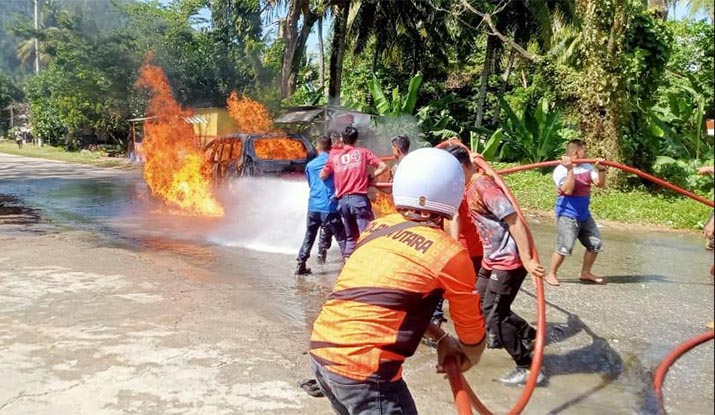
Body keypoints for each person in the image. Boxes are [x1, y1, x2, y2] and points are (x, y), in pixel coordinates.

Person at [309, 147, 486, 414]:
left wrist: (440, 337)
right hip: (364, 374)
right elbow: (471, 335)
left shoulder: (377, 228)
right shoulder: (450, 253)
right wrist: (468, 358)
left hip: (323, 354)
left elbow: (386, 301)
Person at [465, 157, 546, 386]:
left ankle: (527, 366)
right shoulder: (470, 183)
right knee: (479, 303)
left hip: (508, 259)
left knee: (494, 316)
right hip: (492, 259)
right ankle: (527, 333)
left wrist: (528, 259)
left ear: (461, 168)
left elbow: (514, 220)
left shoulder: (484, 187)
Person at [428, 145, 484, 330]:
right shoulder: (476, 181)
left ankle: (439, 320)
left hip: (464, 247)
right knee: (471, 289)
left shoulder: (460, 186)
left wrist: (453, 246)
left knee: (442, 284)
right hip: (474, 247)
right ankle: (480, 325)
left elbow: (456, 216)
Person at [544, 139, 607, 287]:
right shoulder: (560, 170)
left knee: (595, 244)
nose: (587, 154)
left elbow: (600, 184)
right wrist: (570, 169)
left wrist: (602, 170)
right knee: (564, 247)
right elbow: (568, 190)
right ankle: (551, 274)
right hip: (567, 214)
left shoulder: (587, 166)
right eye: (584, 151)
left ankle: (586, 272)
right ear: (575, 153)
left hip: (584, 214)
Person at [320, 125, 388, 257]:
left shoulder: (334, 157)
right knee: (367, 235)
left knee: (350, 238)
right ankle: (366, 265)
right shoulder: (363, 152)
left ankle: (348, 262)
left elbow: (322, 175)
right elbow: (383, 166)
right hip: (359, 201)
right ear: (356, 139)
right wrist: (371, 176)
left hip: (343, 202)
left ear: (342, 139)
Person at [295, 136, 348, 275]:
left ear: (317, 148)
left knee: (309, 235)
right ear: (330, 147)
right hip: (329, 206)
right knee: (341, 237)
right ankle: (349, 264)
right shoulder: (335, 162)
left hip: (313, 206)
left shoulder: (310, 165)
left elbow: (311, 184)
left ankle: (301, 264)